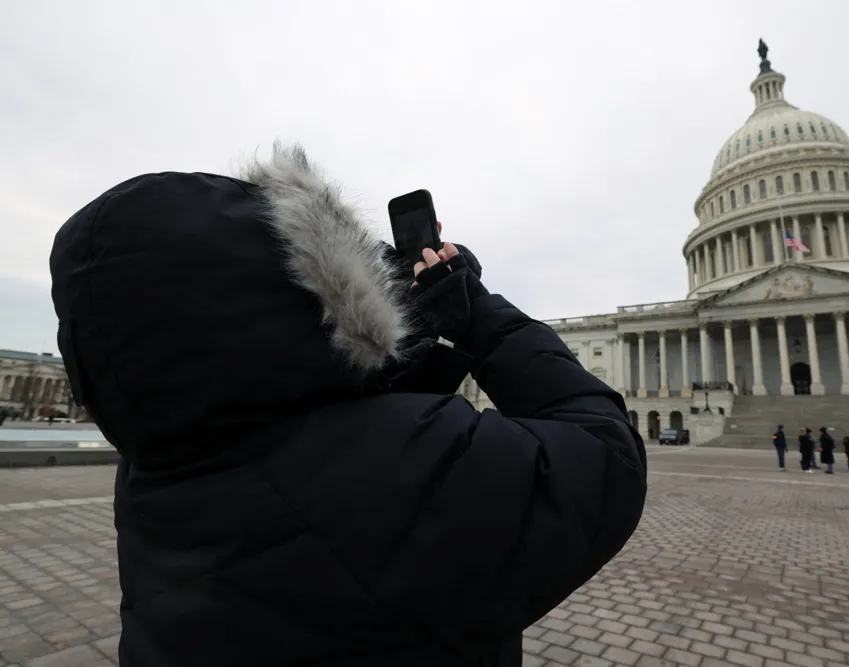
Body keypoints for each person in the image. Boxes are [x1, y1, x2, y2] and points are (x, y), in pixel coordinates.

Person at [48, 143, 648, 667]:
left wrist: (415, 344)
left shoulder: (159, 464)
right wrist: (483, 316)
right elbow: (604, 450)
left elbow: (326, 452)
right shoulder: (404, 471)